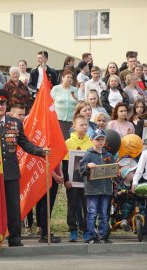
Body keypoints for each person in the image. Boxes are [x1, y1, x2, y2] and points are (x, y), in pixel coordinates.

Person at [0, 89, 48, 246]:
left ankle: (14, 237)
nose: (0, 106)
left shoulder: (15, 123)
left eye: (3, 104)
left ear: (7, 105)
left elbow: (24, 143)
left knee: (13, 206)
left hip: (10, 171)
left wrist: (40, 151)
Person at [62, 114, 93, 242]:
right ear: (74, 126)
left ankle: (86, 230)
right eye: (81, 124)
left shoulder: (91, 143)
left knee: (87, 206)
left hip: (87, 182)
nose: (84, 127)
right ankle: (73, 230)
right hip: (72, 183)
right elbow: (64, 164)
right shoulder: (68, 143)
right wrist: (66, 180)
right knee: (72, 205)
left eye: (86, 124)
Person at [80, 129, 114, 244]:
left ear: (105, 140)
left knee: (104, 213)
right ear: (92, 140)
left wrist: (116, 170)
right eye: (97, 139)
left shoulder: (108, 155)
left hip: (106, 190)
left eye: (102, 139)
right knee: (92, 212)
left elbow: (113, 169)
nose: (100, 142)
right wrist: (87, 166)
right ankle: (91, 236)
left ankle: (103, 235)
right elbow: (81, 170)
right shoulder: (88, 154)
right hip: (92, 190)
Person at [51, 69, 78, 139]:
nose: (69, 79)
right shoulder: (56, 88)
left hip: (71, 120)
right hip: (58, 120)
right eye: (67, 77)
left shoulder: (75, 90)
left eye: (71, 78)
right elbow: (50, 103)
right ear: (62, 78)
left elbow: (78, 104)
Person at [116, 166, 138, 232]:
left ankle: (140, 225)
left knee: (141, 204)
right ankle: (124, 220)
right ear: (127, 176)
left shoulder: (134, 184)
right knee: (126, 206)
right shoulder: (121, 184)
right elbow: (118, 192)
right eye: (132, 173)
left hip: (135, 202)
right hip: (124, 203)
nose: (134, 174)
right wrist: (120, 192)